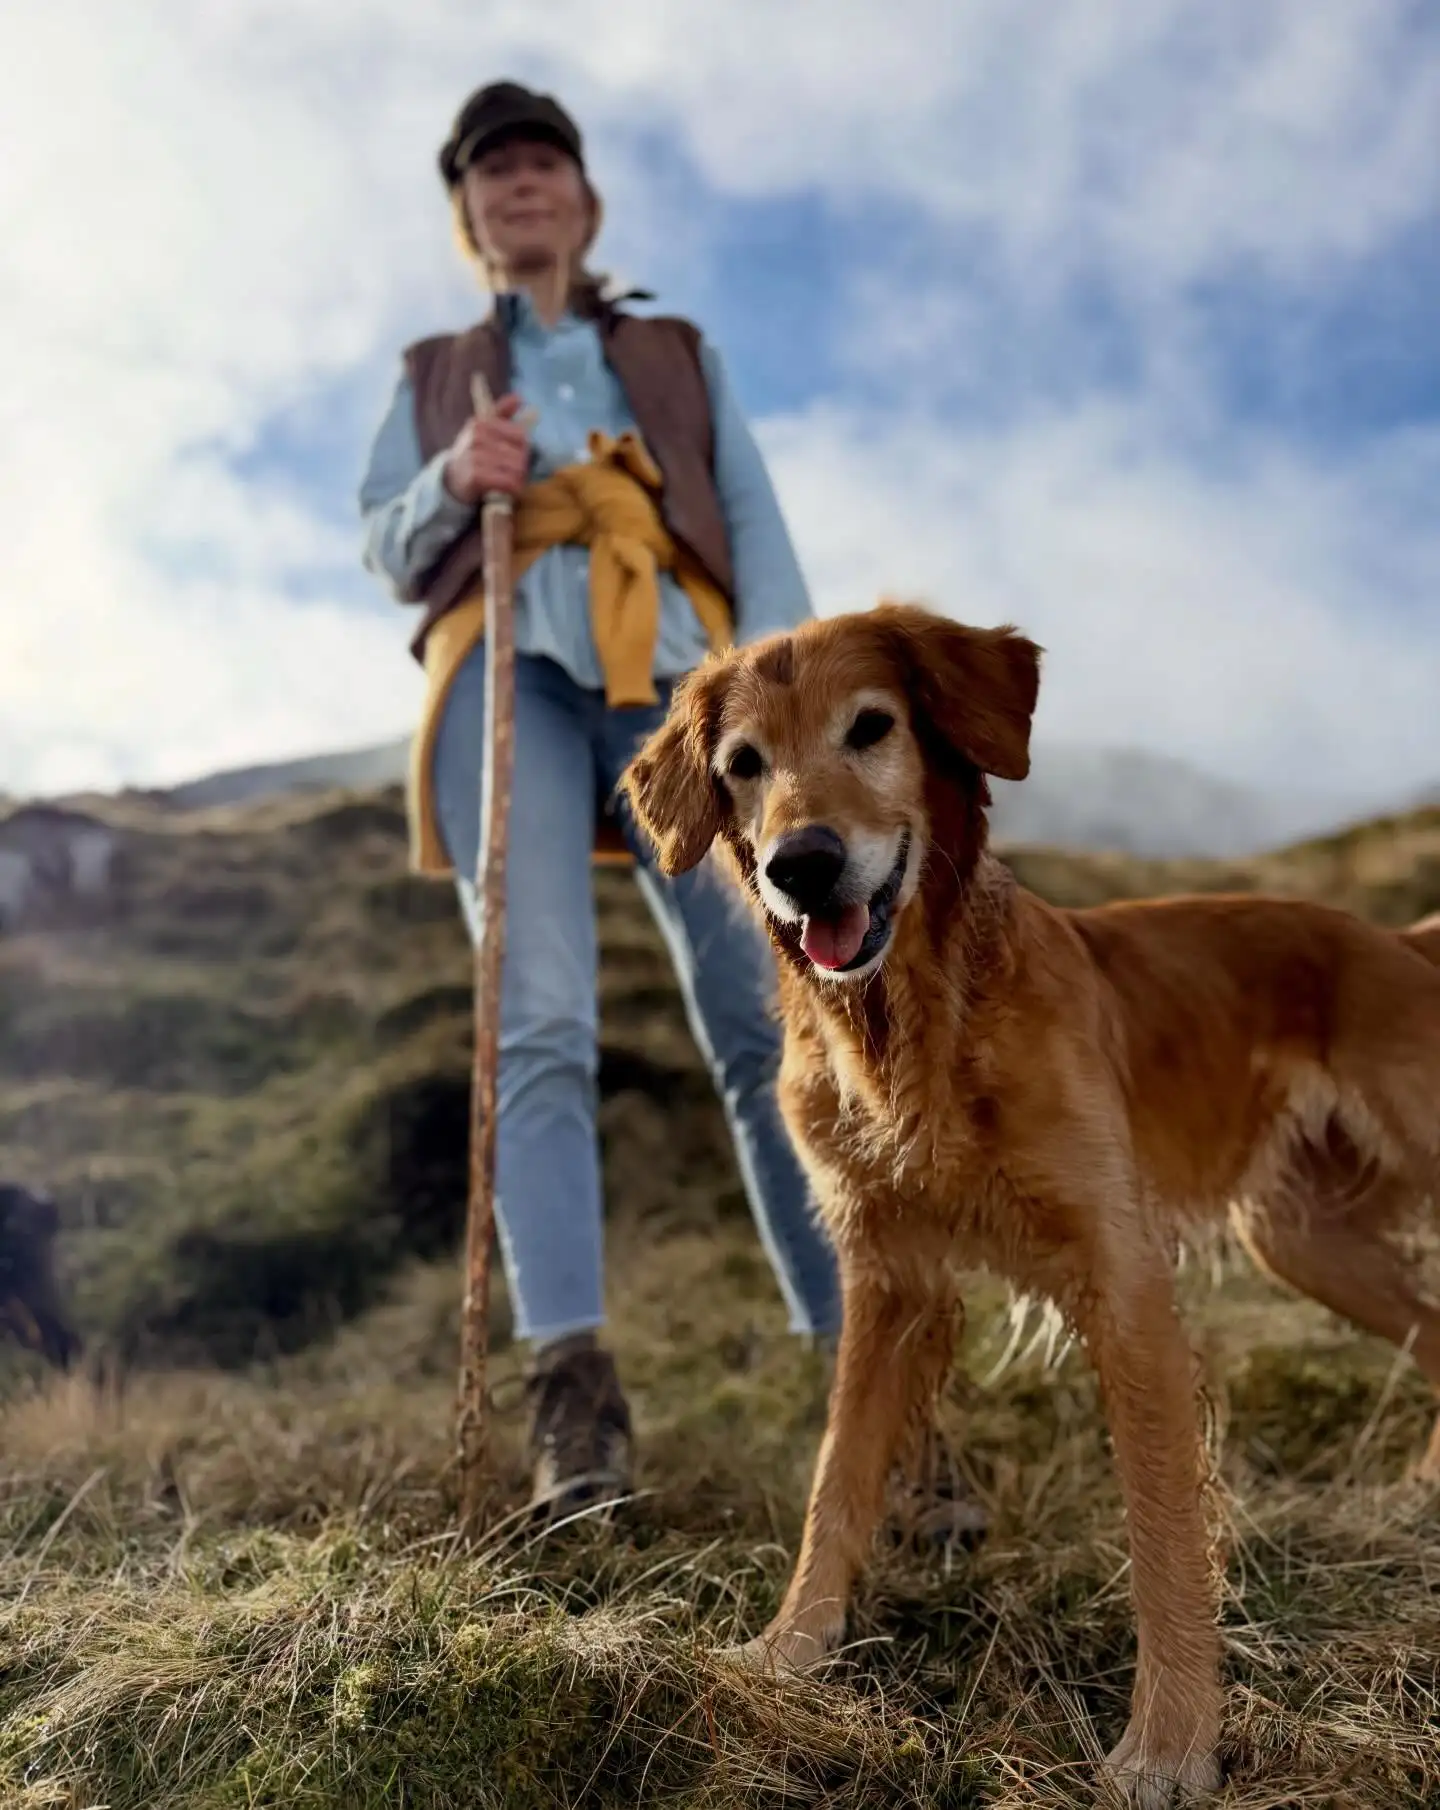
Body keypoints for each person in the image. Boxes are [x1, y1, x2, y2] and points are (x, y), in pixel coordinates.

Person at [357, 80, 842, 1518]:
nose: (519, 182)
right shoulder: (437, 370)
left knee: (766, 1015)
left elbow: (753, 524)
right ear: (469, 214)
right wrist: (457, 476)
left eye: (540, 162)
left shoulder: (674, 352)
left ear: (582, 197)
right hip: (502, 667)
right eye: (490, 171)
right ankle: (575, 1406)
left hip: (685, 681)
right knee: (536, 1019)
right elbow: (386, 543)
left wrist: (784, 705)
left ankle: (867, 1366)